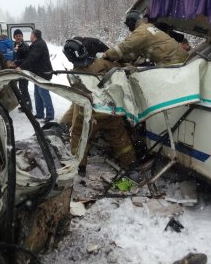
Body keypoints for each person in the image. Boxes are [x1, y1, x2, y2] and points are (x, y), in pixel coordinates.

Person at [62, 38, 136, 175]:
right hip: (110, 111)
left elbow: (78, 98)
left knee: (79, 136)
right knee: (119, 137)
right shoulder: (103, 63)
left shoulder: (74, 75)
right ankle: (130, 164)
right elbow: (120, 71)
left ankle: (80, 167)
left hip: (89, 115)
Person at [101, 10, 188, 66]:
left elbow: (125, 46)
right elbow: (136, 53)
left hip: (172, 60)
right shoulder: (148, 27)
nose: (128, 28)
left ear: (131, 23)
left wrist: (107, 54)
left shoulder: (141, 32)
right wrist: (121, 59)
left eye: (128, 25)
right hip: (179, 56)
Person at [16, 29, 54, 122]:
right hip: (38, 73)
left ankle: (50, 115)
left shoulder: (40, 44)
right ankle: (40, 114)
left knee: (44, 94)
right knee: (37, 94)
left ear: (34, 35)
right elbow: (28, 53)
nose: (30, 36)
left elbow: (31, 58)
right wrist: (16, 62)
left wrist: (21, 67)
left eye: (31, 35)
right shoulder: (36, 44)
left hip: (43, 73)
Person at [13, 29, 32, 113]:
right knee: (21, 88)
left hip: (24, 69)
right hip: (17, 69)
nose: (18, 37)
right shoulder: (15, 45)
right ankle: (24, 105)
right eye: (16, 36)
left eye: (19, 36)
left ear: (22, 36)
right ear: (14, 37)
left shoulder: (25, 46)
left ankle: (28, 107)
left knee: (24, 88)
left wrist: (16, 62)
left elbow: (27, 60)